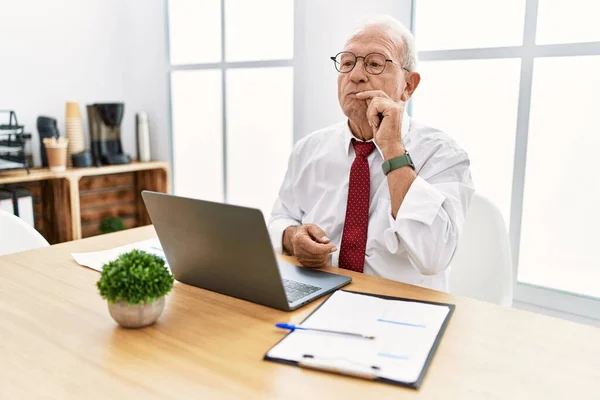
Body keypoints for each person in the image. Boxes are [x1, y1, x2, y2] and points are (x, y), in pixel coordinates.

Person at [268, 15, 474, 291]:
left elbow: (433, 256)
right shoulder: (309, 149)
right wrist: (293, 238)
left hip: (401, 310)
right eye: (347, 63)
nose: (355, 75)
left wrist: (392, 149)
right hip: (317, 296)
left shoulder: (443, 155)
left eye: (375, 63)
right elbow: (281, 218)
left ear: (408, 85)